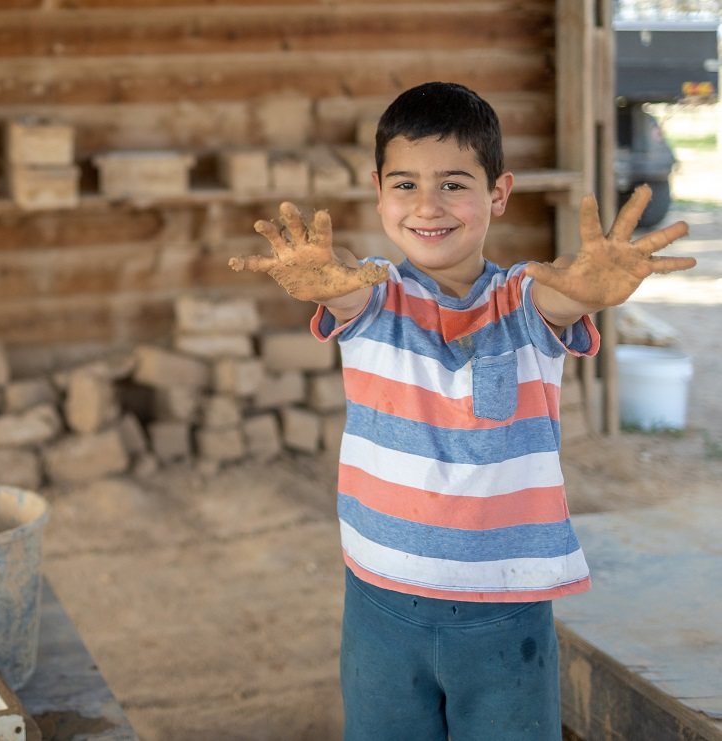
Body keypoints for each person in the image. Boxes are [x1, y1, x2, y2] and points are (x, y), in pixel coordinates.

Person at [229, 81, 696, 740]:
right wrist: (321, 282)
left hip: (506, 617)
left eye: (452, 184)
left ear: (497, 194)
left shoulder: (522, 301)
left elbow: (556, 305)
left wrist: (589, 292)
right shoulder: (374, 294)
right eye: (404, 185)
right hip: (380, 604)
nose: (426, 206)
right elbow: (343, 299)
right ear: (377, 190)